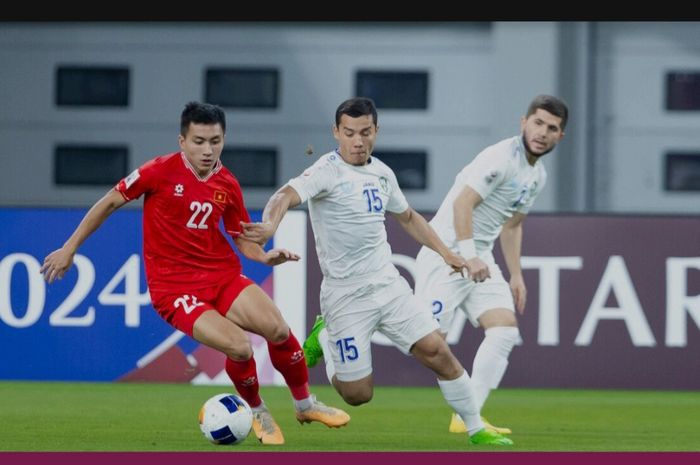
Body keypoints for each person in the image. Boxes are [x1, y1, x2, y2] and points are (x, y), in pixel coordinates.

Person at [40, 101, 350, 446]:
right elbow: (111, 201)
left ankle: (305, 404)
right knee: (241, 348)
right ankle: (258, 412)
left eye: (215, 141)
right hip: (174, 290)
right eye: (199, 141)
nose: (208, 150)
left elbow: (241, 238)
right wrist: (70, 247)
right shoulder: (157, 172)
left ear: (224, 139)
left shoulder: (227, 184)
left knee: (277, 328)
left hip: (221, 276)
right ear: (182, 141)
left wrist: (264, 257)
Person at [240, 97, 513, 446]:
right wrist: (268, 225)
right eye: (350, 133)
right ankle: (324, 336)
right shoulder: (326, 170)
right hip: (345, 295)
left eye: (365, 132)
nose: (358, 141)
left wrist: (448, 254)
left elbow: (409, 217)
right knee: (357, 394)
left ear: (376, 131)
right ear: (336, 132)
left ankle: (476, 428)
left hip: (388, 285)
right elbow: (285, 195)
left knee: (437, 351)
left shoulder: (383, 173)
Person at [413, 94, 568, 434]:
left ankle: (467, 416)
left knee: (504, 330)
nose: (542, 132)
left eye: (552, 127)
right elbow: (462, 205)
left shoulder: (536, 175)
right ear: (523, 122)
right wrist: (467, 255)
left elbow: (512, 225)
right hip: (449, 255)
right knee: (426, 341)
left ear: (560, 136)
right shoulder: (500, 158)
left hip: (479, 258)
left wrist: (516, 274)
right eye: (538, 123)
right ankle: (349, 325)